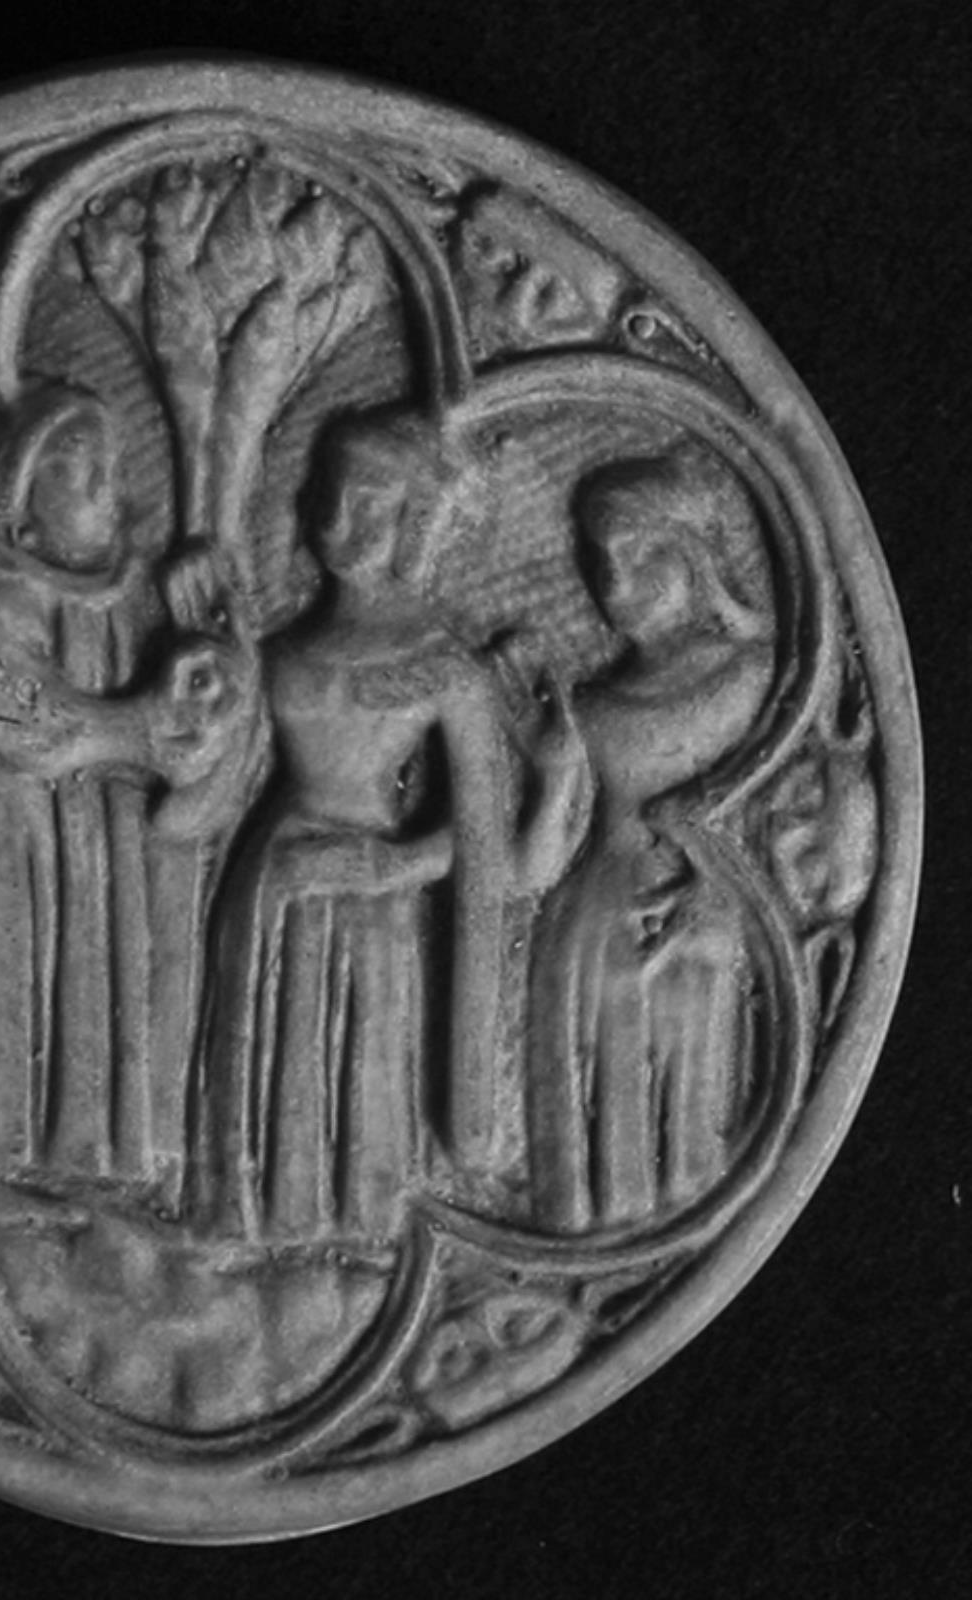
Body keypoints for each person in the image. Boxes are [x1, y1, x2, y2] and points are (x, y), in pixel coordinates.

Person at [192, 412, 590, 1247]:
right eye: (334, 493)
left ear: (413, 521)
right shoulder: (281, 652)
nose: (344, 518)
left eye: (371, 502)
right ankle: (254, 1220)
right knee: (267, 1056)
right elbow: (213, 785)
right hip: (269, 886)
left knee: (361, 1059)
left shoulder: (445, 667)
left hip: (375, 901)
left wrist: (385, 866)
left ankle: (359, 1234)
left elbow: (485, 843)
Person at [0, 389, 262, 1184]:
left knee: (98, 1007)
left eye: (111, 468)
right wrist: (146, 726)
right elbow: (36, 726)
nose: (108, 488)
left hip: (98, 869)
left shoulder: (113, 613)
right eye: (80, 470)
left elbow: (191, 788)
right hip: (5, 861)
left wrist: (229, 656)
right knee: (5, 1009)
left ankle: (85, 1164)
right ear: (17, 508)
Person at [526, 442, 776, 1234]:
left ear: (695, 553)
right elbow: (537, 862)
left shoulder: (754, 678)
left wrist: (723, 905)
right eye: (600, 562)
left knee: (685, 1123)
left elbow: (779, 823)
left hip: (697, 928)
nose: (615, 583)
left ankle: (663, 1243)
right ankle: (590, 1251)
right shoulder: (590, 707)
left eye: (640, 556)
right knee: (595, 1132)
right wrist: (549, 772)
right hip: (587, 930)